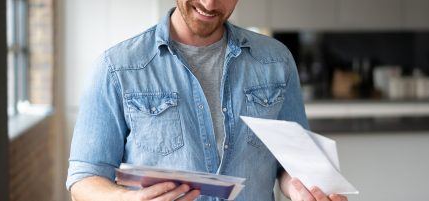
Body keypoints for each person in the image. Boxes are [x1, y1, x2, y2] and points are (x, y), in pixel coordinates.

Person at [66, 0, 349, 201]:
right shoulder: (117, 67)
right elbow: (83, 180)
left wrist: (301, 190)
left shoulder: (275, 60)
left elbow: (291, 163)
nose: (210, 3)